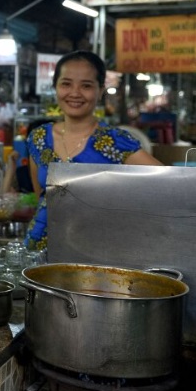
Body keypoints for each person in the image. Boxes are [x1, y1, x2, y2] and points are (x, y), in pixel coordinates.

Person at [25, 51, 162, 250]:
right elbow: (41, 196)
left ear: (100, 91)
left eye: (86, 86)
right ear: (55, 87)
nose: (75, 93)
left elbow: (167, 185)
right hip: (39, 249)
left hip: (95, 255)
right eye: (66, 84)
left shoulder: (116, 141)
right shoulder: (38, 138)